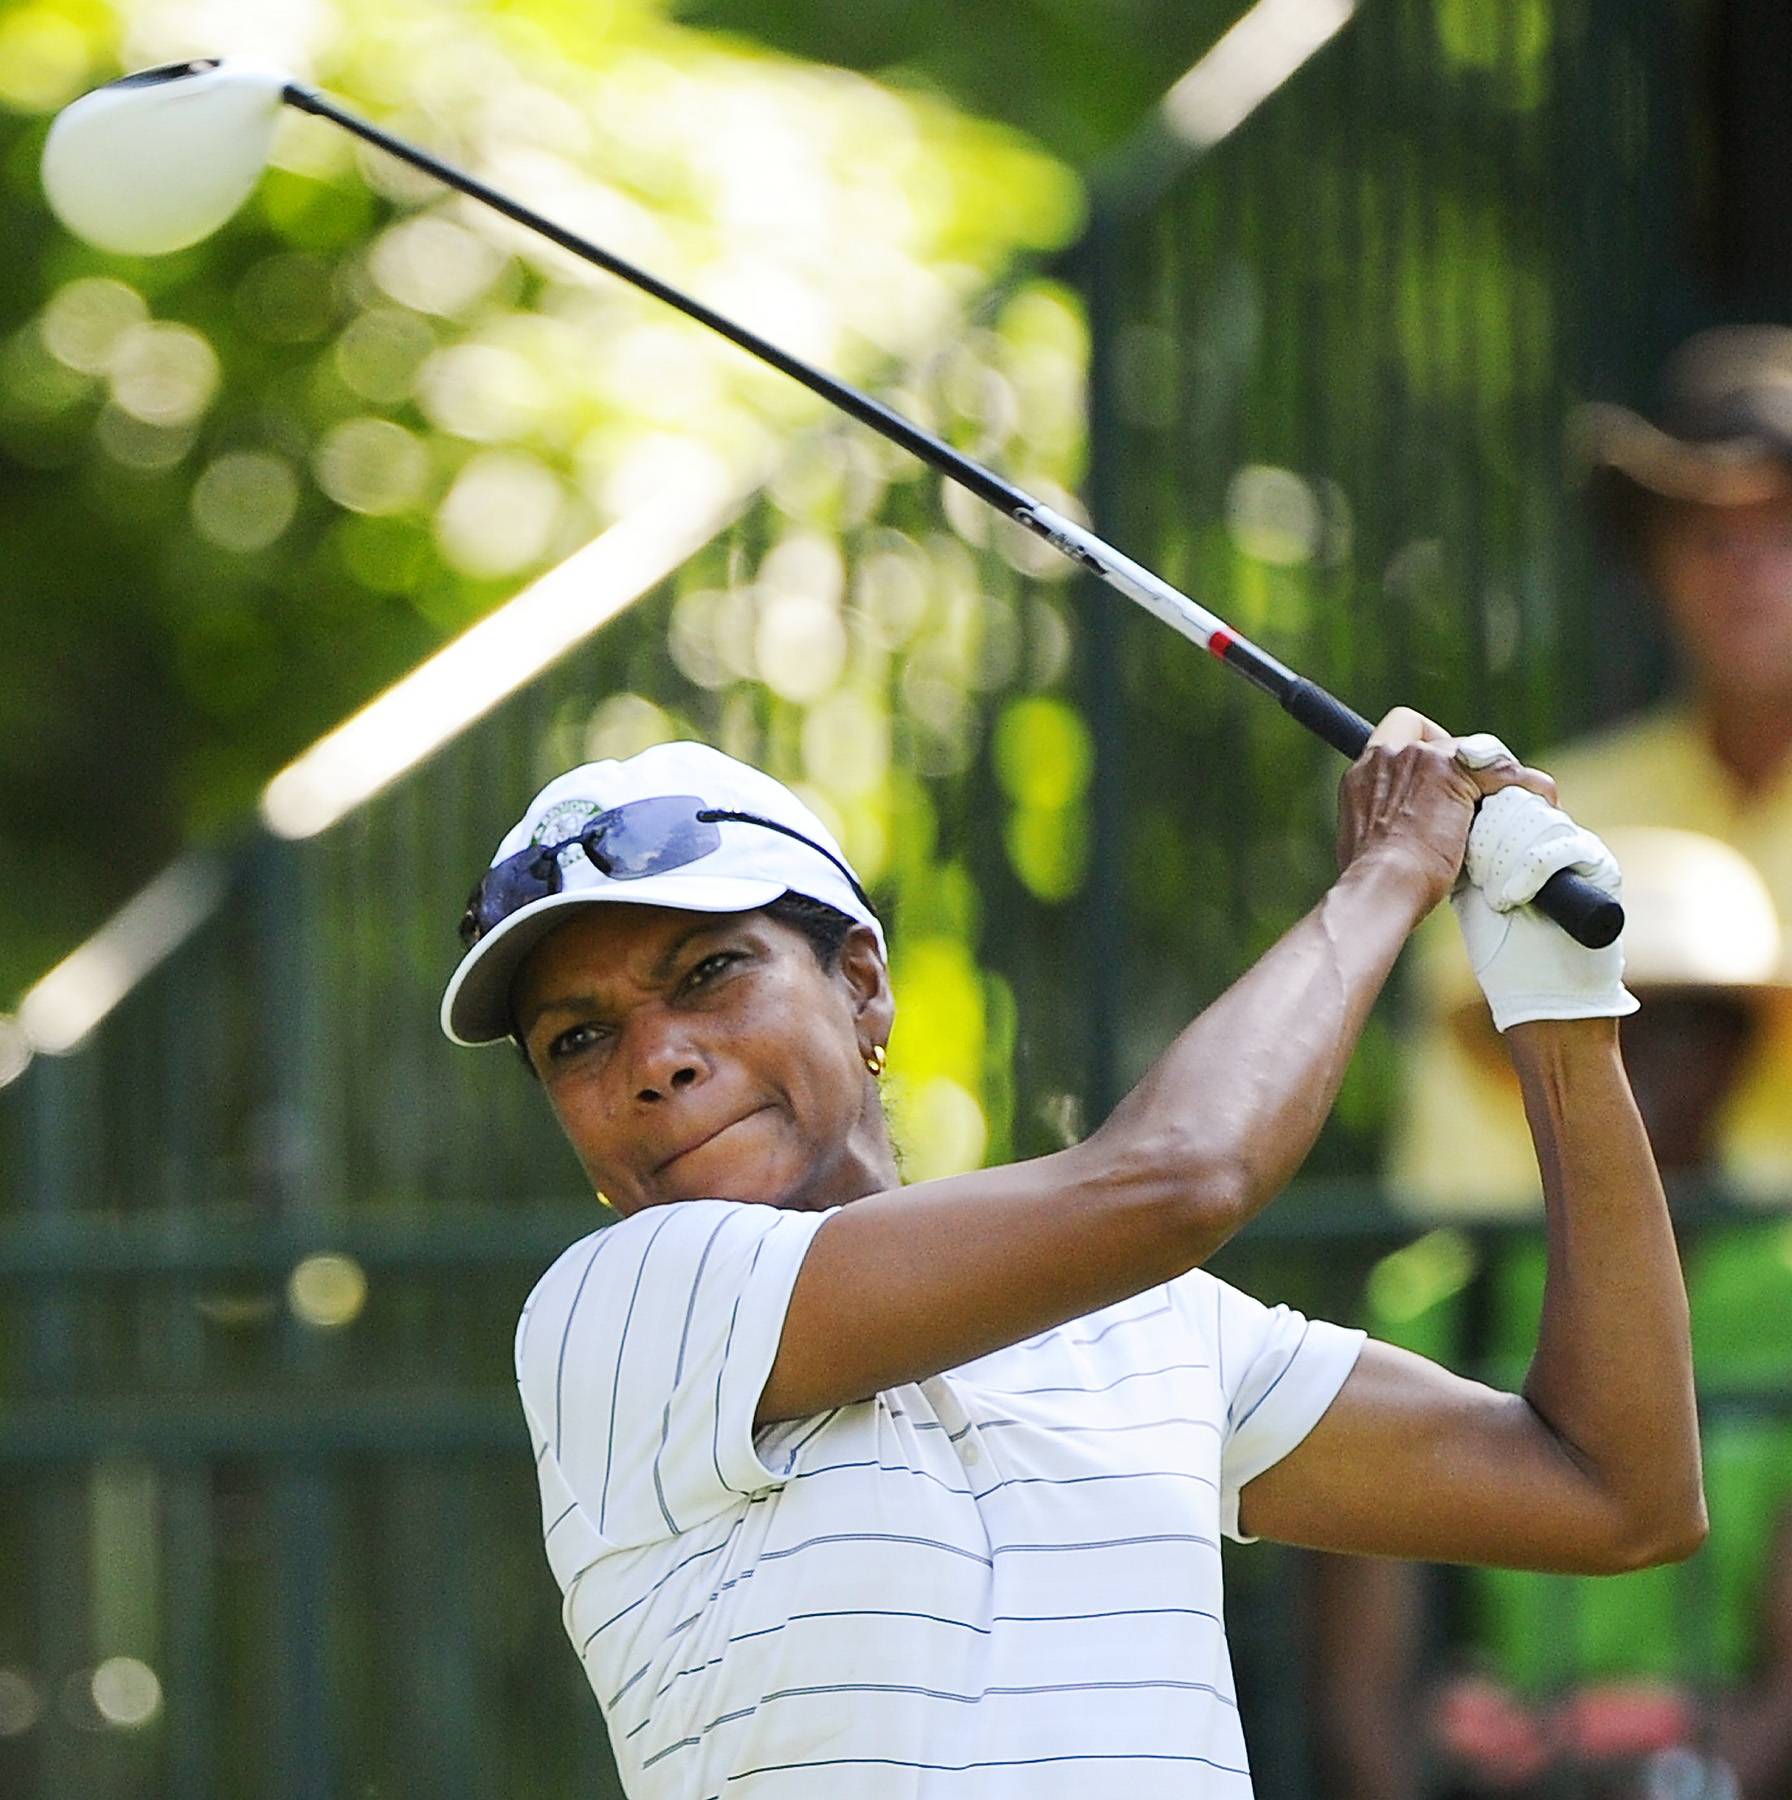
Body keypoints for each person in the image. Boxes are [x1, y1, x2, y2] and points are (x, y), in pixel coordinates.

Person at [439, 722, 1704, 1799]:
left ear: (863, 985)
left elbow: (1614, 1492)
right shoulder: (623, 1314)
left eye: (709, 972)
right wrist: (1390, 873)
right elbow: (1184, 1177)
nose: (654, 1059)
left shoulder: (1151, 1325)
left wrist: (1561, 1018)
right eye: (578, 1040)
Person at [1312, 831, 1792, 1800]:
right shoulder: (1433, 1305)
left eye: (1680, 1022)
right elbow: (1364, 1696)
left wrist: (1683, 1759)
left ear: (1738, 1048)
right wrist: (1456, 1740)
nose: (1636, 1054)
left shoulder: (1783, 1298)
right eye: (1605, 1010)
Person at [1392, 324, 1792, 1213]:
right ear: (1656, 564)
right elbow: (1468, 1203)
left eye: (1783, 531)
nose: (1750, 575)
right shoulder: (1528, 823)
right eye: (1712, 538)